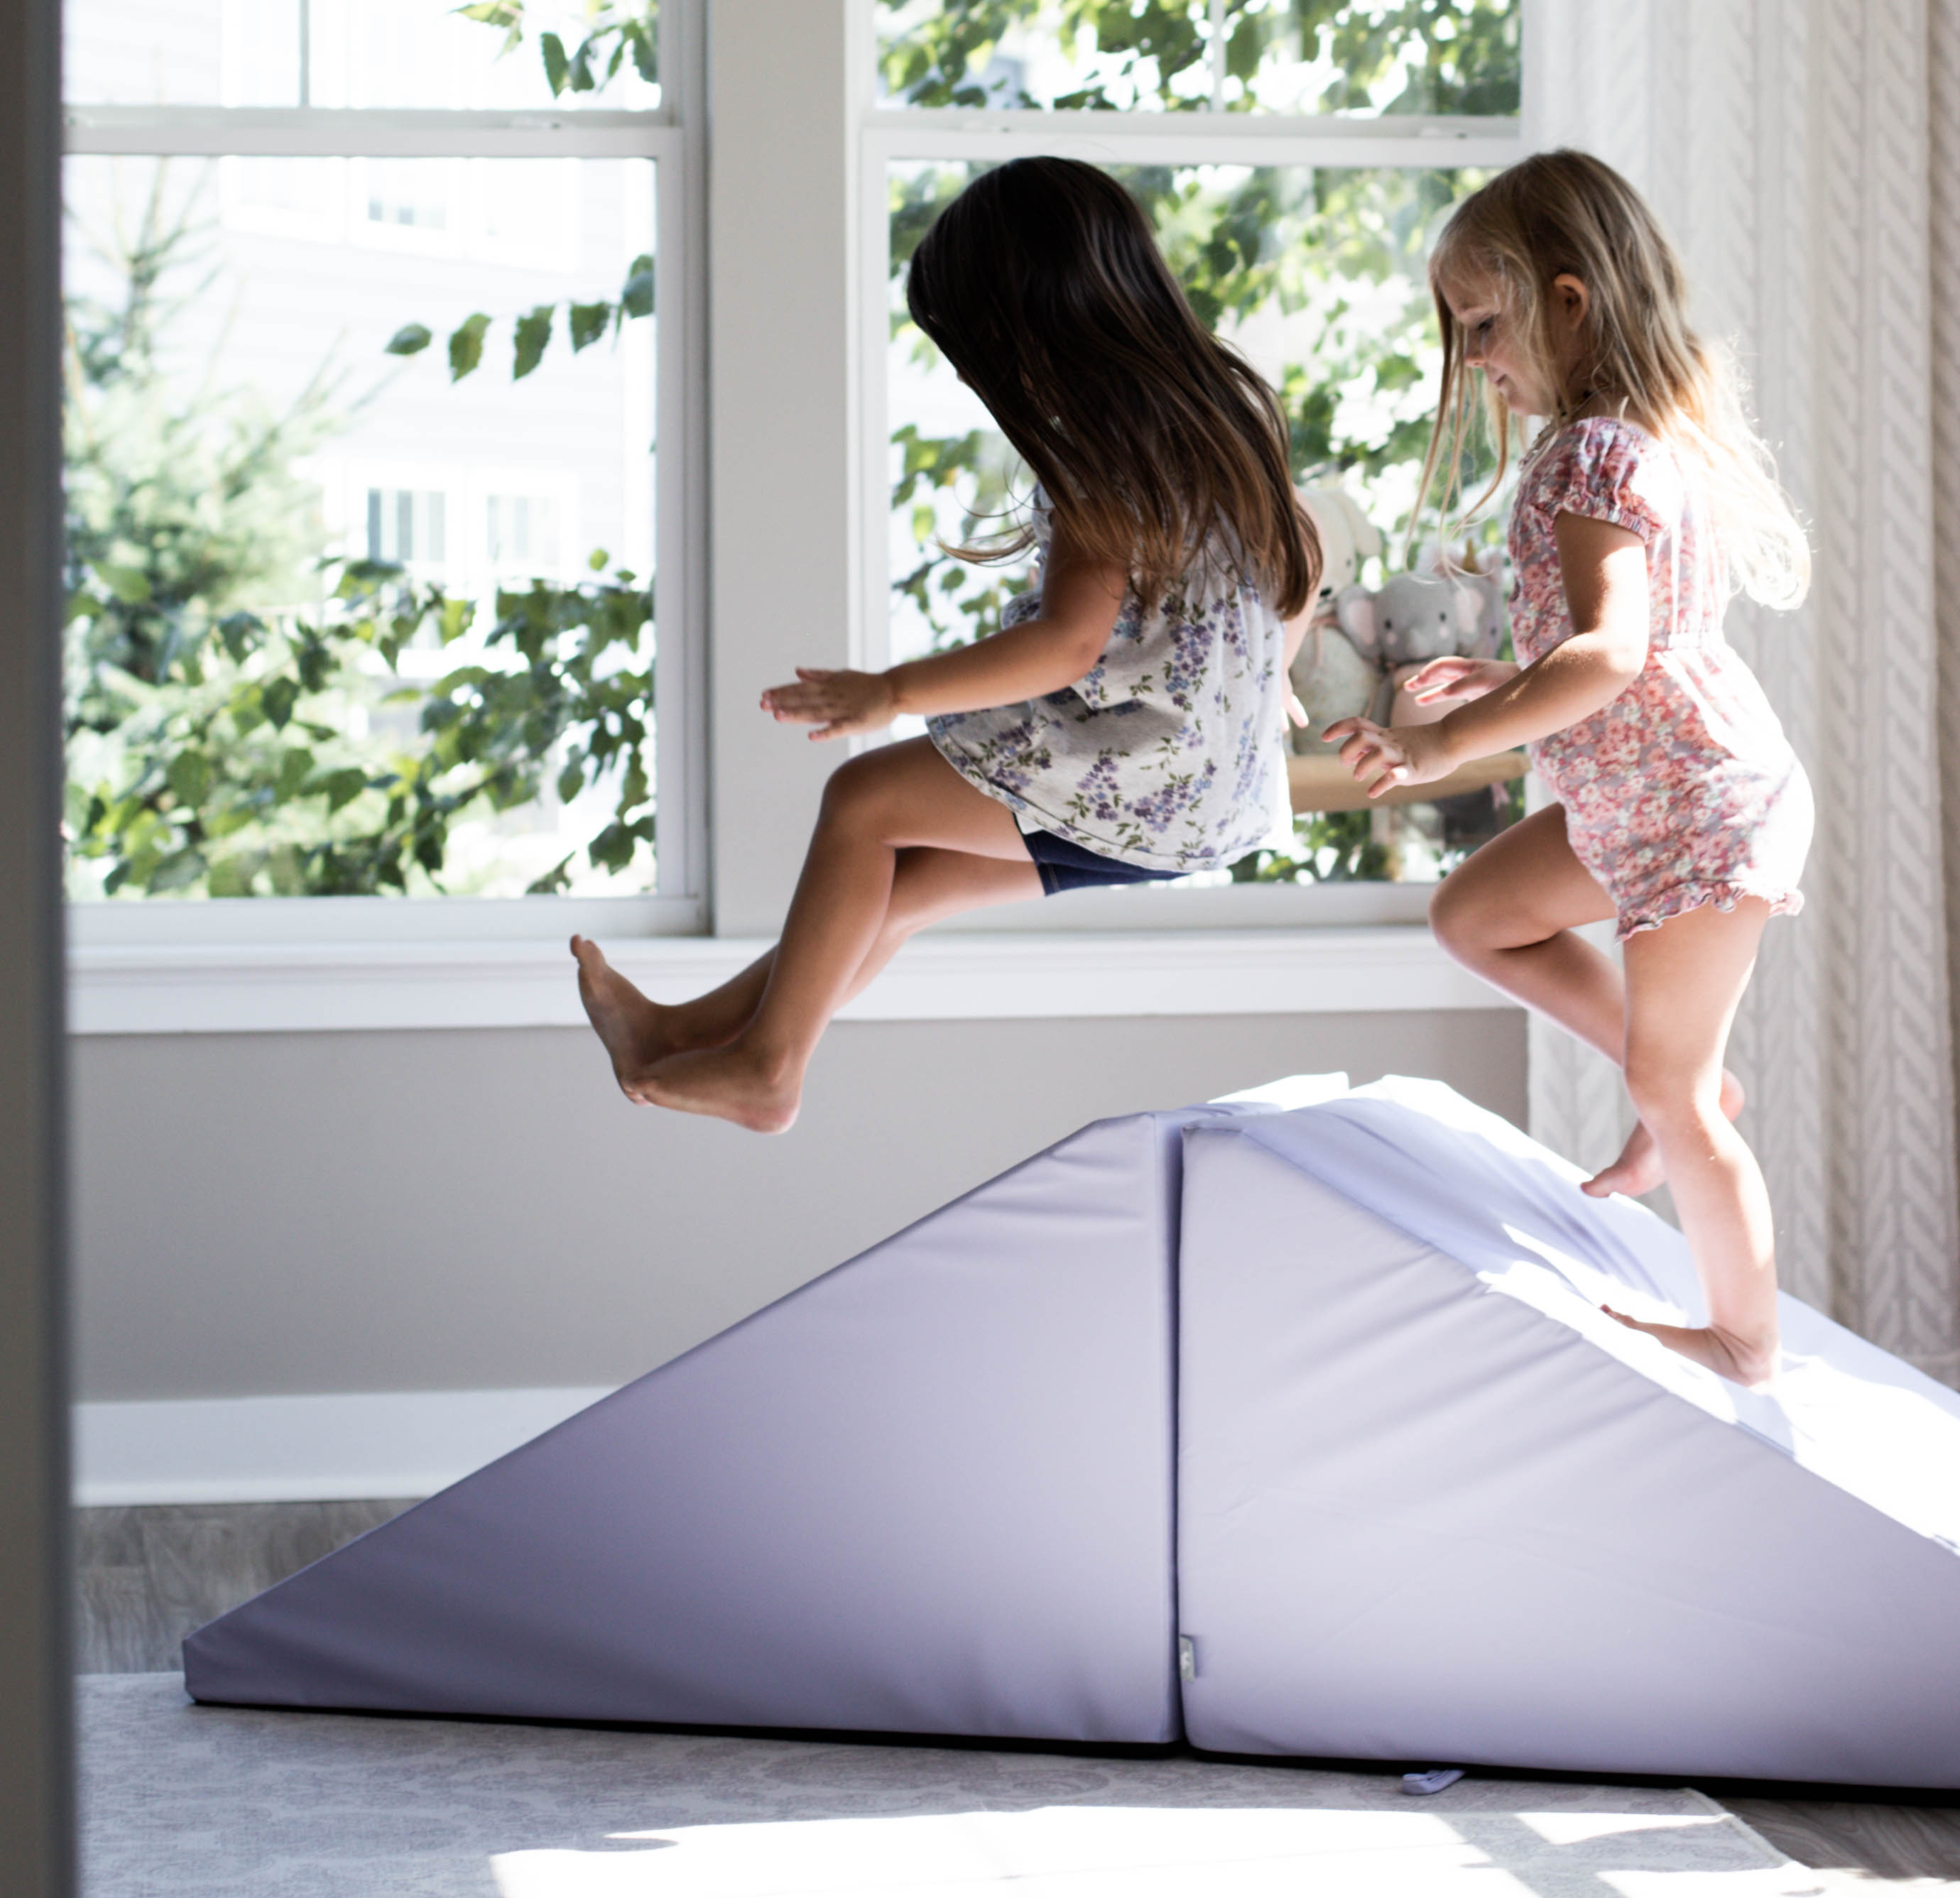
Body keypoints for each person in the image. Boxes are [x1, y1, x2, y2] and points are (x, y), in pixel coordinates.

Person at [575, 155, 1313, 1130]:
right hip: (1217, 792)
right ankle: (687, 1037)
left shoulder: (1105, 453)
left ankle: (768, 1068)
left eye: (979, 356)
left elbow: (1065, 647)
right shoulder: (1225, 407)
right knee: (900, 878)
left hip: (1144, 771)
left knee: (862, 801)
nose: (981, 381)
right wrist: (1261, 678)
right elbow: (1300, 554)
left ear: (1030, 329)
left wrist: (892, 691)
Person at [1327, 151, 1812, 1384]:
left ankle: (1745, 1336)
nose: (1477, 358)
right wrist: (1508, 677)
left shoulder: (1596, 453)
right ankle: (1680, 1086)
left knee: (1675, 1087)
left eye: (1485, 326)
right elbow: (1606, 649)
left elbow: (1612, 651)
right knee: (1479, 915)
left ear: (1570, 299)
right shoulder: (1617, 443)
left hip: (1693, 805)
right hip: (1637, 793)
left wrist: (1442, 742)